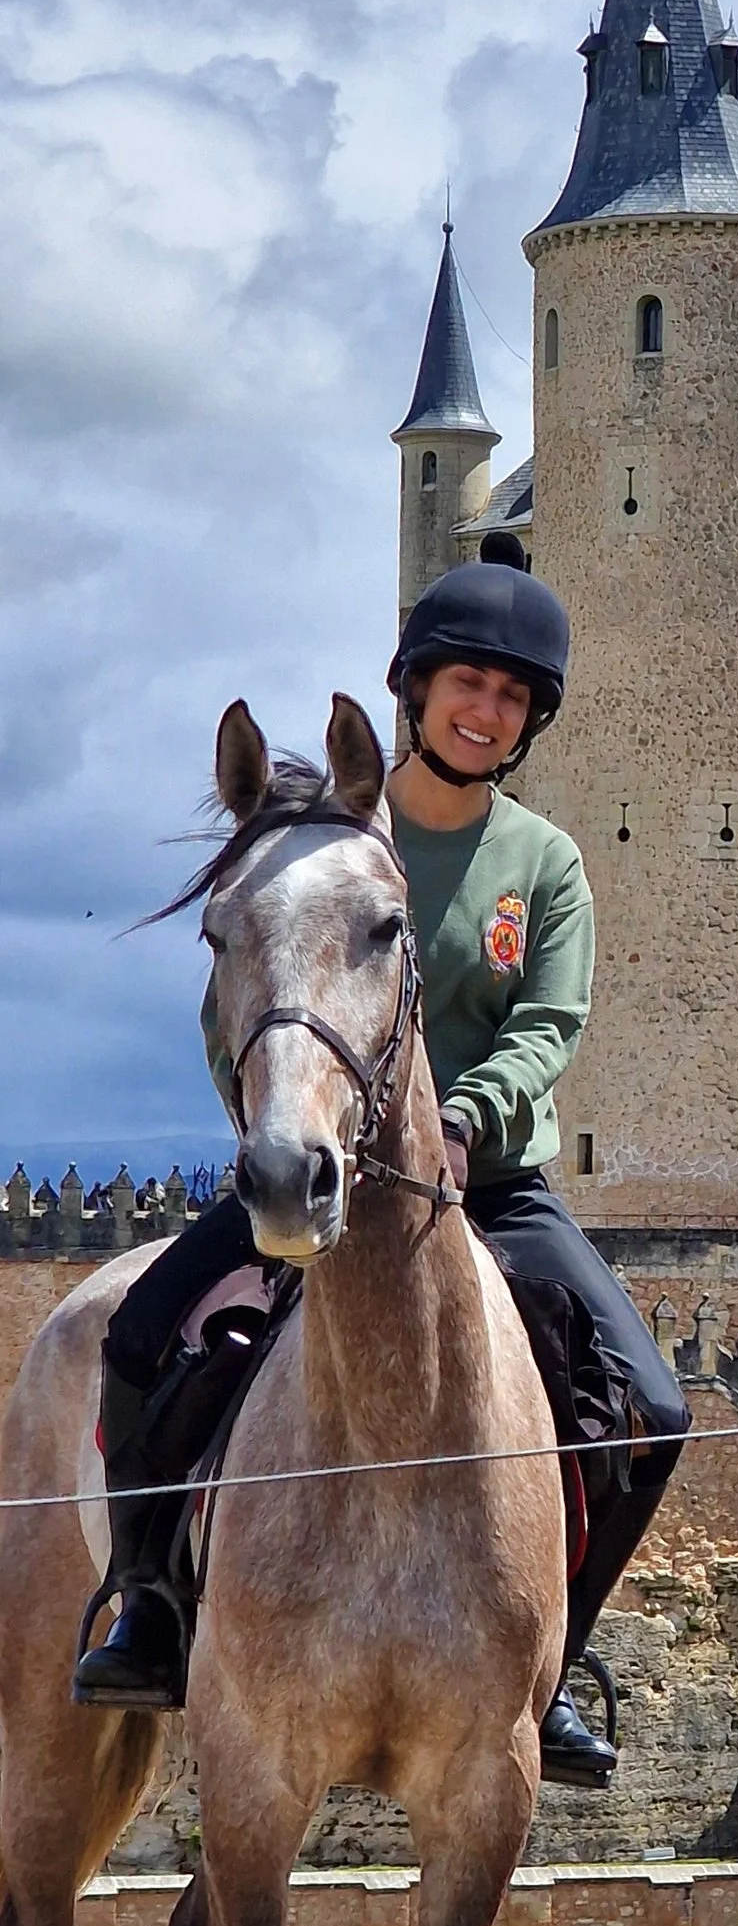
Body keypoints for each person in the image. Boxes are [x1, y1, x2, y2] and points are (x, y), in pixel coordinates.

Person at [70, 533, 696, 1782]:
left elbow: (549, 1024)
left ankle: (549, 1664)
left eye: (512, 695)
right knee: (143, 1337)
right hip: (311, 1166)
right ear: (416, 689)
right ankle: (149, 1602)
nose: (487, 707)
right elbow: (242, 1005)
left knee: (654, 1408)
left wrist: (464, 1122)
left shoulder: (544, 865)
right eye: (468, 682)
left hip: (487, 1182)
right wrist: (275, 1131)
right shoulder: (325, 842)